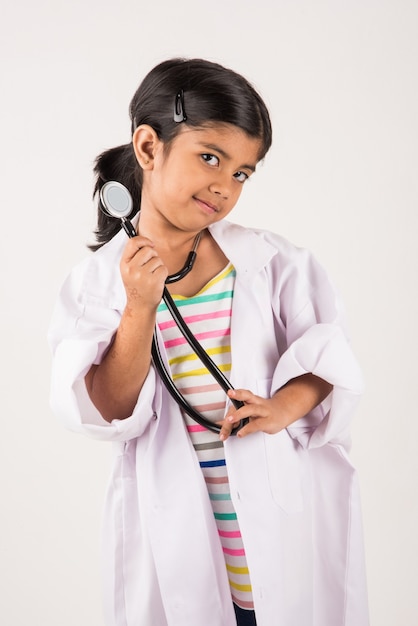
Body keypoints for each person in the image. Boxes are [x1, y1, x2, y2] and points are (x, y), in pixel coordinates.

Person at [48, 58, 369, 626]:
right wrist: (139, 308)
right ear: (149, 148)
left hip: (278, 534)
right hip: (184, 542)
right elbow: (108, 409)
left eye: (242, 173)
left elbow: (330, 360)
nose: (224, 187)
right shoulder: (98, 285)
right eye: (210, 158)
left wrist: (278, 409)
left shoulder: (274, 263)